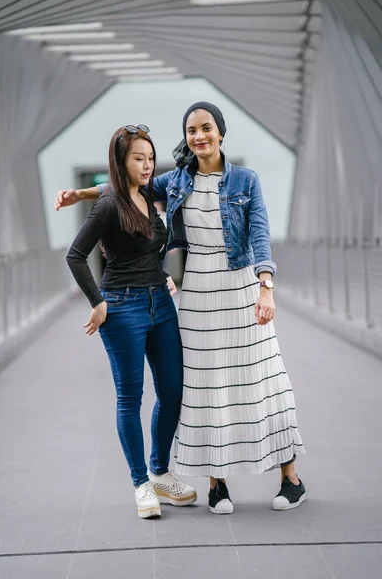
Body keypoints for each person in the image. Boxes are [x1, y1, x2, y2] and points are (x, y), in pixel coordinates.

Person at [57, 103, 306, 514]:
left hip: (241, 283)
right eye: (191, 130)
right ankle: (216, 484)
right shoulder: (175, 181)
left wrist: (266, 285)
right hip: (199, 291)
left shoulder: (246, 179)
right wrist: (81, 194)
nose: (199, 135)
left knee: (264, 378)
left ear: (220, 133)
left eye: (206, 127)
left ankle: (290, 478)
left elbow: (259, 231)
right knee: (203, 387)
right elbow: (123, 188)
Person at [66, 124, 197, 519]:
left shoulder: (147, 195)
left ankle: (160, 471)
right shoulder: (109, 204)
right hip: (122, 307)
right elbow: (75, 254)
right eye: (138, 158)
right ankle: (141, 483)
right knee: (130, 398)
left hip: (161, 303)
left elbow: (152, 248)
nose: (147, 165)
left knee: (173, 390)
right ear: (121, 162)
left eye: (151, 158)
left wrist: (164, 277)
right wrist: (98, 301)